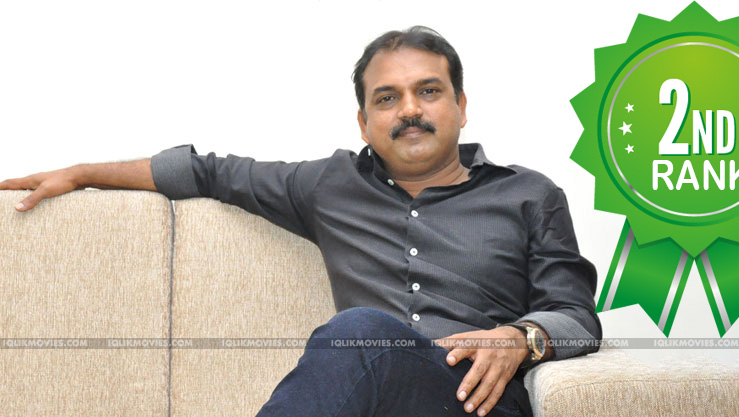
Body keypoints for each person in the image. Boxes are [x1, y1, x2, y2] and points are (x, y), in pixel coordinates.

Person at [0, 26, 601, 417]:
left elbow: (578, 318)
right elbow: (209, 172)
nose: (409, 110)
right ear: (363, 122)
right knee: (363, 336)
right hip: (364, 400)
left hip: (474, 401)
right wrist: (80, 173)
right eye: (387, 98)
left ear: (461, 107)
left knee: (360, 331)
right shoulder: (329, 186)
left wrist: (520, 338)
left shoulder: (528, 194)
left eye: (428, 91)